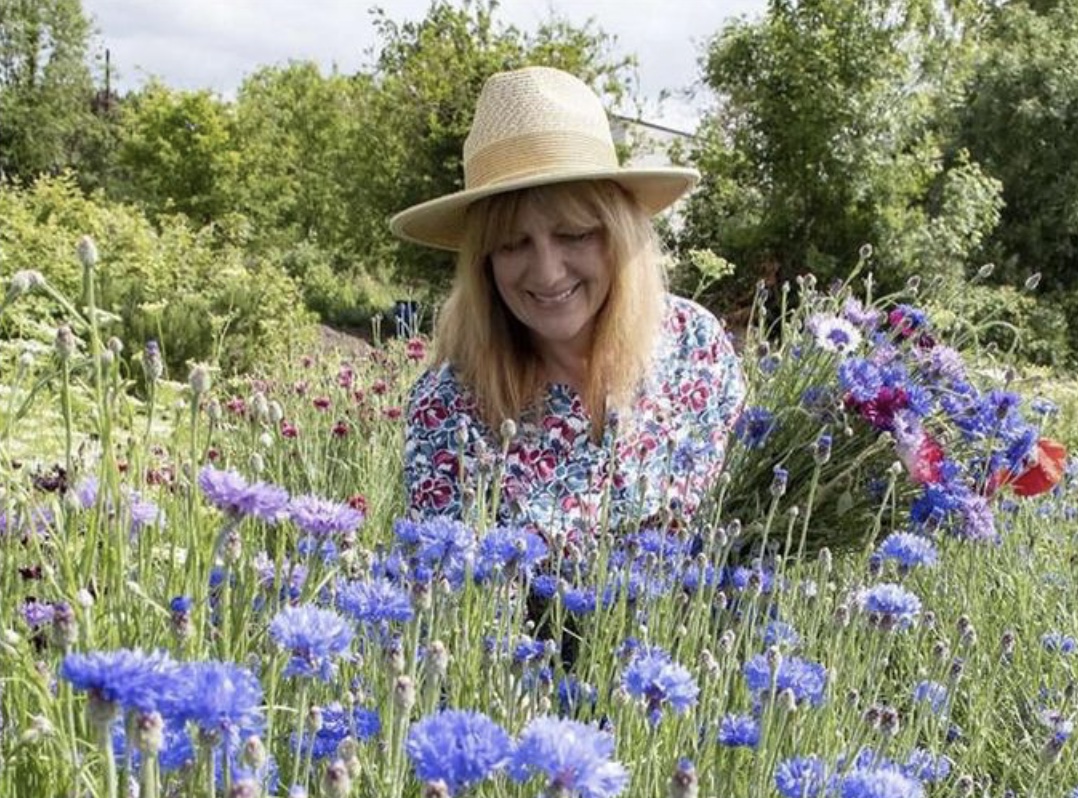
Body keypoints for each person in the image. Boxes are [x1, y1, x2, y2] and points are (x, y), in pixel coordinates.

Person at [391, 66, 745, 538]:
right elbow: (444, 576)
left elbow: (754, 517)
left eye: (574, 234)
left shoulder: (696, 346)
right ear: (484, 262)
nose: (548, 272)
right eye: (513, 244)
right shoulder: (449, 407)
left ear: (618, 234)